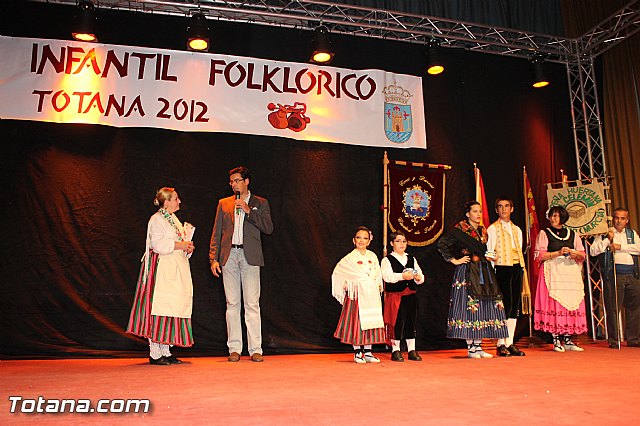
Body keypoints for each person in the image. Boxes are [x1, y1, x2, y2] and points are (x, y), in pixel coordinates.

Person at [209, 166, 273, 362]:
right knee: (232, 303)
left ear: (246, 182)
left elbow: (268, 228)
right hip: (229, 256)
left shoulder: (259, 203)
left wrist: (248, 211)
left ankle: (256, 349)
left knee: (252, 304)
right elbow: (217, 232)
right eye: (232, 182)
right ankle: (234, 348)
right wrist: (213, 258)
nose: (234, 184)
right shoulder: (224, 203)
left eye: (237, 180)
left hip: (250, 256)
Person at [127, 187, 195, 365]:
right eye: (176, 199)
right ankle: (155, 353)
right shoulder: (157, 219)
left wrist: (187, 248)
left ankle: (166, 350)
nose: (179, 202)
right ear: (166, 202)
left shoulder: (174, 219)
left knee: (172, 308)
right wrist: (181, 245)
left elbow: (178, 243)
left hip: (176, 267)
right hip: (163, 268)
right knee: (160, 307)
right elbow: (158, 244)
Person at [437, 201, 508, 358]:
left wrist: (491, 256)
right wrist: (454, 260)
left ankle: (479, 345)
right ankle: (471, 348)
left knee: (482, 306)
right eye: (475, 211)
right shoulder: (460, 229)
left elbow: (485, 251)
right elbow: (442, 244)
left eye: (480, 211)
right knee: (469, 306)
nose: (478, 214)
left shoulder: (483, 230)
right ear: (468, 214)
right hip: (467, 272)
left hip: (483, 270)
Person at [533, 205, 587, 352]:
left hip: (569, 273)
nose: (552, 218)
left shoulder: (572, 234)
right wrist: (557, 252)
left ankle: (568, 339)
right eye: (551, 216)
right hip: (553, 271)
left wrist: (575, 253)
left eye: (556, 216)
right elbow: (539, 255)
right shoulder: (545, 233)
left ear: (562, 217)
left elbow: (583, 253)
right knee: (555, 303)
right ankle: (556, 339)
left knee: (569, 302)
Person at [332, 226, 385, 364]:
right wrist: (347, 284)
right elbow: (338, 274)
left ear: (369, 241)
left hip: (371, 295)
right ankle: (357, 352)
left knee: (371, 322)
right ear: (354, 240)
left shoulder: (372, 256)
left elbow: (377, 273)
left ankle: (368, 351)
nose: (361, 240)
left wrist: (377, 284)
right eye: (358, 237)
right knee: (357, 323)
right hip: (357, 296)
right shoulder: (349, 259)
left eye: (365, 238)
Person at [589, 207, 640, 348]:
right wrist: (608, 240)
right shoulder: (604, 234)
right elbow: (593, 251)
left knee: (634, 307)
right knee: (612, 307)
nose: (619, 221)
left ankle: (633, 339)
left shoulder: (632, 233)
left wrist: (620, 247)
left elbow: (639, 248)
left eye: (622, 218)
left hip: (632, 274)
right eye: (617, 218)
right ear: (613, 218)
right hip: (613, 275)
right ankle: (614, 339)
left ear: (627, 220)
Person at [486, 197, 527, 357]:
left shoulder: (517, 229)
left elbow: (520, 248)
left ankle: (509, 341)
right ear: (496, 210)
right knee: (505, 305)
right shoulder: (492, 229)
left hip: (516, 267)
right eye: (500, 207)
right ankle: (500, 342)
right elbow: (489, 252)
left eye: (507, 206)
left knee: (514, 305)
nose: (504, 209)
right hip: (502, 268)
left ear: (512, 209)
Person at [381, 231, 425, 362]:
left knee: (411, 322)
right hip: (395, 296)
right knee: (397, 322)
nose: (401, 244)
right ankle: (396, 350)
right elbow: (387, 277)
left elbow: (421, 276)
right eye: (398, 241)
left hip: (410, 295)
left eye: (404, 241)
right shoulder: (387, 260)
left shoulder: (411, 258)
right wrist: (402, 276)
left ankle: (412, 349)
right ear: (391, 243)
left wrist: (418, 278)